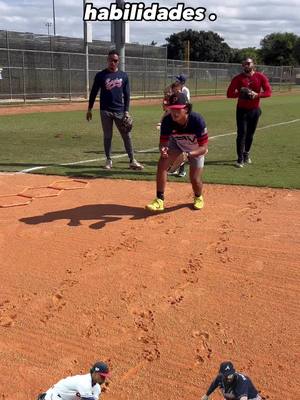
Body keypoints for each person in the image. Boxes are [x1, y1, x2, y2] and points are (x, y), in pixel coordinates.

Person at [146, 92, 208, 212]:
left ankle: (198, 197)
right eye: (172, 108)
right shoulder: (167, 121)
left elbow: (204, 148)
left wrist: (188, 155)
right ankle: (159, 200)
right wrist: (163, 149)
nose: (174, 112)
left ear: (187, 109)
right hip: (177, 146)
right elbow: (163, 143)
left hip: (195, 150)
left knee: (195, 179)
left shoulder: (197, 120)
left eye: (178, 109)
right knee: (162, 163)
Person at [86, 49, 143, 170]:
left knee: (127, 135)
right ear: (107, 60)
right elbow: (94, 92)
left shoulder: (123, 76)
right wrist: (89, 108)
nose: (113, 62)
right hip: (105, 111)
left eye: (115, 60)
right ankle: (108, 160)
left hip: (120, 111)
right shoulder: (101, 75)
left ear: (118, 61)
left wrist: (126, 111)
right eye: (111, 60)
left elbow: (127, 95)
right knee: (107, 136)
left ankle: (132, 160)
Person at [226, 57, 272, 168]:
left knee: (250, 134)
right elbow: (229, 94)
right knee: (241, 133)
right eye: (244, 64)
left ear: (253, 64)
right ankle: (240, 159)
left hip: (254, 110)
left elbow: (268, 92)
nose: (246, 65)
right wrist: (240, 94)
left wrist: (257, 94)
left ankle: (246, 153)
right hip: (242, 110)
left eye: (248, 63)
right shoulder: (238, 78)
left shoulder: (260, 77)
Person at [36, 361, 110, 400]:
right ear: (95, 373)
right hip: (53, 397)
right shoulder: (84, 382)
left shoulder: (97, 388)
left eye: (104, 377)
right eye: (102, 376)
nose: (103, 379)